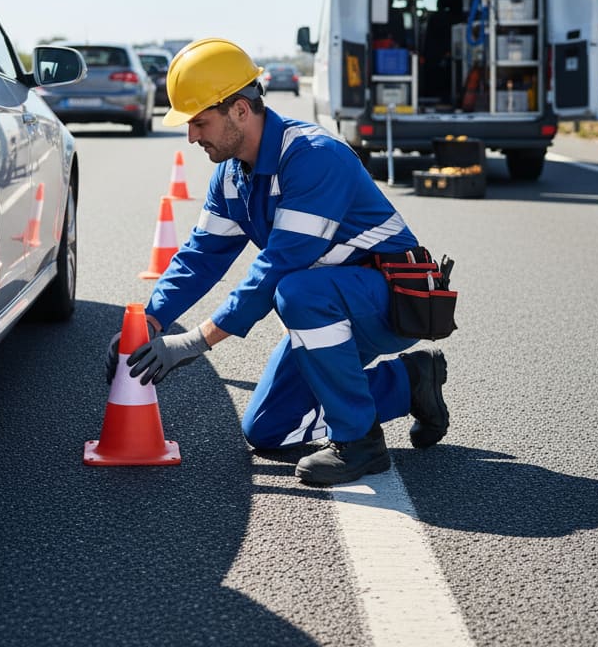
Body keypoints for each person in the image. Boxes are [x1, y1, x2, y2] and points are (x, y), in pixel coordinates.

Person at [106, 37, 450, 486]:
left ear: (241, 111)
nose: (191, 135)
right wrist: (151, 320)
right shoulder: (231, 175)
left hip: (391, 301)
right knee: (267, 429)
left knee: (296, 291)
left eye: (200, 121)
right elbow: (201, 256)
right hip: (334, 303)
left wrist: (194, 342)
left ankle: (360, 442)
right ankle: (411, 382)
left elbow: (280, 266)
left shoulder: (313, 158)